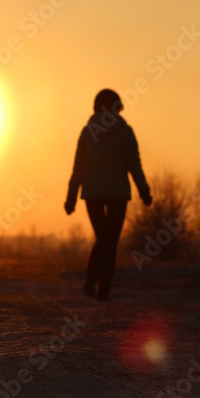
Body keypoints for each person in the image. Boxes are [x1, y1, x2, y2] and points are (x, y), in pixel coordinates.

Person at [64, 88, 152, 301]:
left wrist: (71, 197)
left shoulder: (87, 133)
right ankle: (102, 290)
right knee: (110, 241)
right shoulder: (125, 131)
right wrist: (144, 190)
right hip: (117, 194)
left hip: (92, 194)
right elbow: (134, 164)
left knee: (102, 238)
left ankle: (91, 281)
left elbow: (78, 168)